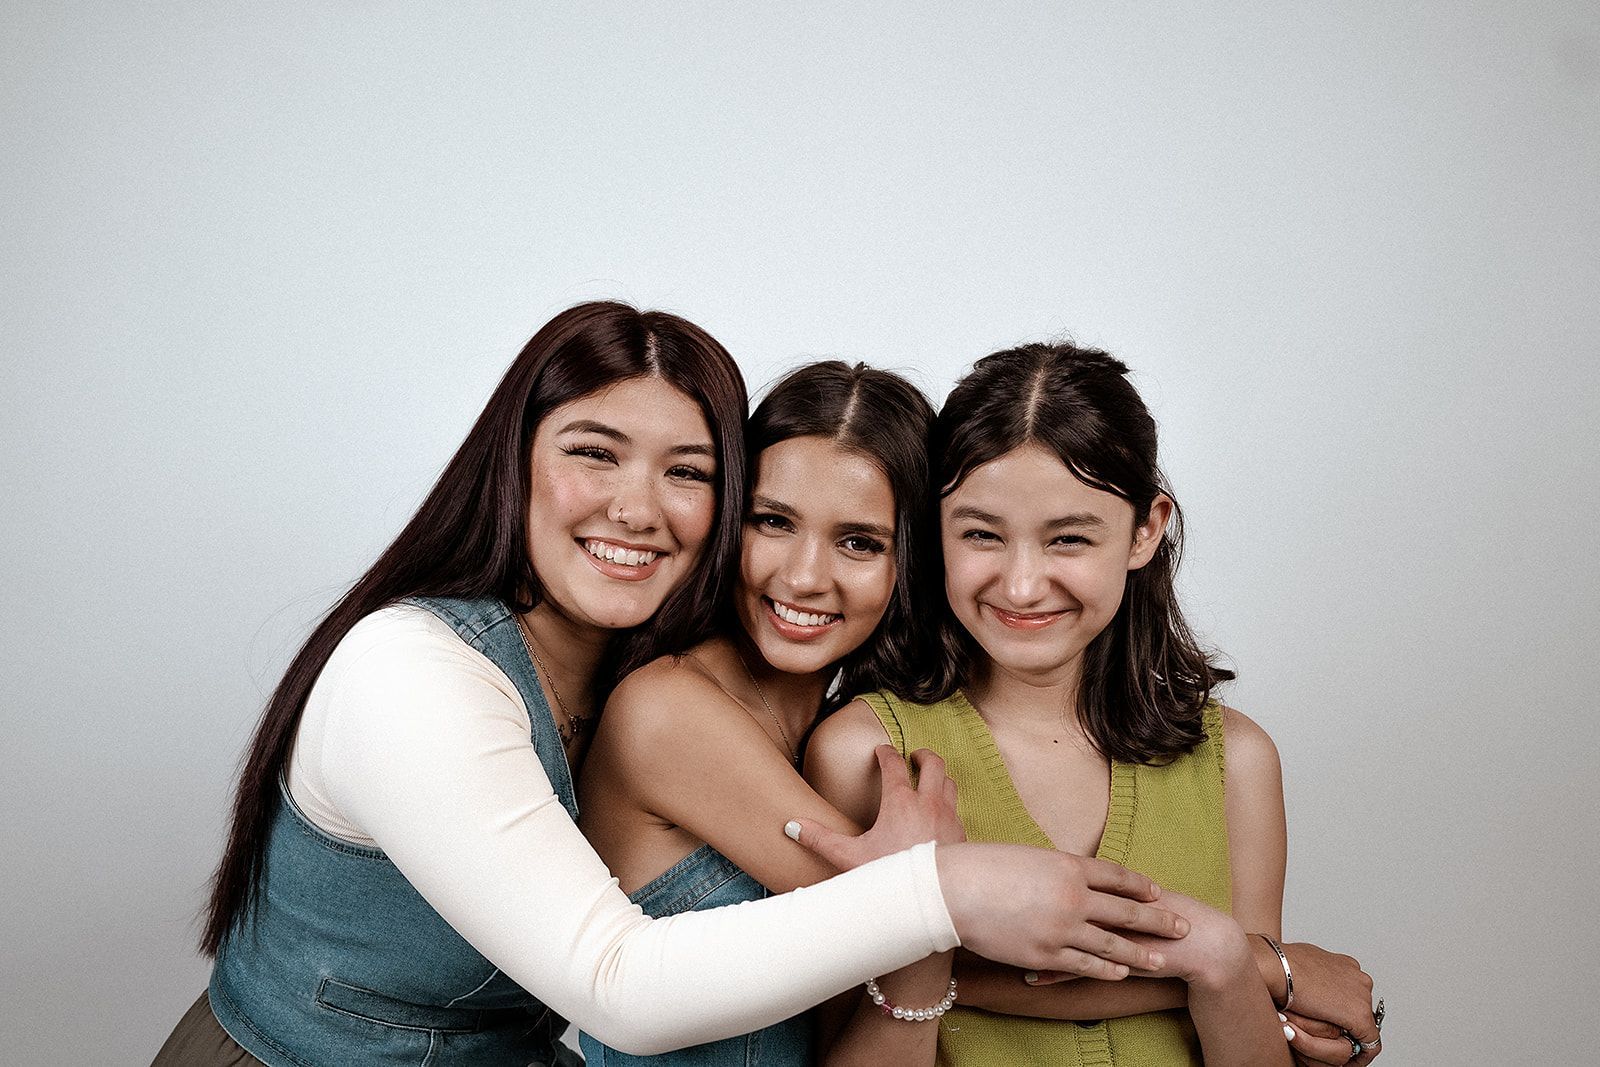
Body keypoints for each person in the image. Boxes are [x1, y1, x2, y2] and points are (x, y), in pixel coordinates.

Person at [152, 305, 1190, 1067]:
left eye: (687, 471)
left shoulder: (658, 678)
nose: (637, 507)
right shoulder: (412, 672)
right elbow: (627, 987)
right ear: (512, 463)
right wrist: (1233, 967)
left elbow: (896, 962)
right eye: (593, 453)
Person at [806, 342, 1384, 1066]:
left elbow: (1255, 1023)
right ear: (935, 531)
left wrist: (1230, 962)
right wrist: (1224, 959)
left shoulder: (1236, 760)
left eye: (1069, 538)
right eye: (982, 533)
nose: (1021, 586)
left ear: (1146, 529)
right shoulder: (862, 754)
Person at [577, 360, 964, 1066]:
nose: (805, 575)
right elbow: (928, 928)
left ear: (907, 562)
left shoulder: (850, 736)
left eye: (858, 542)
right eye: (774, 522)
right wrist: (1198, 970)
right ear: (731, 524)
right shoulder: (666, 711)